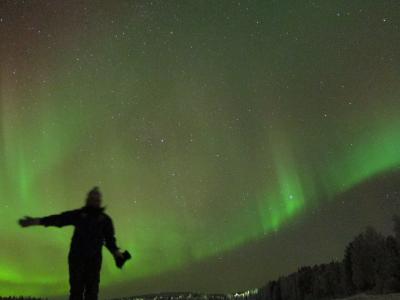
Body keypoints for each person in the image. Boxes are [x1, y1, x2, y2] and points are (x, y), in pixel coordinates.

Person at [18, 186, 125, 300]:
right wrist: (36, 221)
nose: (94, 200)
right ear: (88, 199)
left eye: (96, 198)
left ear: (99, 201)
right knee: (76, 291)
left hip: (94, 259)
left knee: (92, 292)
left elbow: (110, 240)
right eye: (92, 197)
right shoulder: (79, 215)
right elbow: (59, 219)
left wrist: (116, 253)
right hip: (77, 258)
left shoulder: (105, 220)